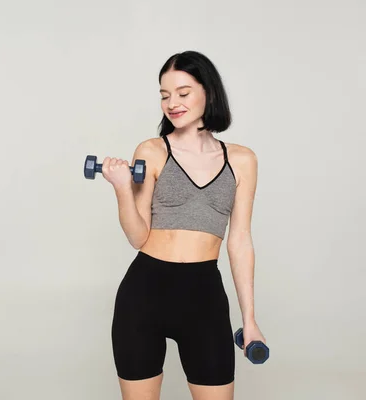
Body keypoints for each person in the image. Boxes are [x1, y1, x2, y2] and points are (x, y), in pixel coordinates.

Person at [101, 50, 266, 400]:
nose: (172, 103)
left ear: (208, 91)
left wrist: (249, 319)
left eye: (183, 92)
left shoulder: (242, 160)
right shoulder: (152, 151)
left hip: (203, 297)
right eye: (164, 95)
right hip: (143, 294)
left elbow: (239, 241)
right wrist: (121, 189)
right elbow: (137, 236)